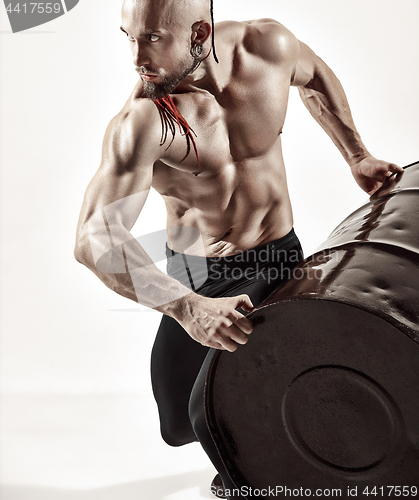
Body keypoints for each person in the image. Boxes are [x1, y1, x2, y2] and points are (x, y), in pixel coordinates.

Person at [74, 0, 402, 497]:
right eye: (129, 37)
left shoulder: (266, 47)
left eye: (154, 39)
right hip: (197, 270)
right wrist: (190, 307)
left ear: (199, 33)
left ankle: (262, 476)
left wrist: (357, 155)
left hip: (279, 255)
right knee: (178, 422)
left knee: (234, 405)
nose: (137, 58)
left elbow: (314, 77)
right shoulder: (143, 122)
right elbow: (94, 236)